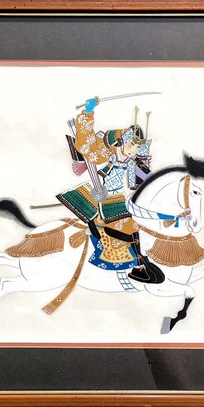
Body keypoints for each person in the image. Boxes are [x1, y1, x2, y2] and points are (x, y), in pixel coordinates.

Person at [57, 97, 164, 284]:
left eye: (136, 148)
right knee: (129, 227)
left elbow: (143, 181)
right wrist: (88, 113)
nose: (132, 151)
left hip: (122, 199)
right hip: (105, 199)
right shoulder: (107, 154)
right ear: (122, 141)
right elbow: (85, 146)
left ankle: (140, 261)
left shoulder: (131, 160)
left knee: (138, 224)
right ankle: (138, 264)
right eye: (131, 145)